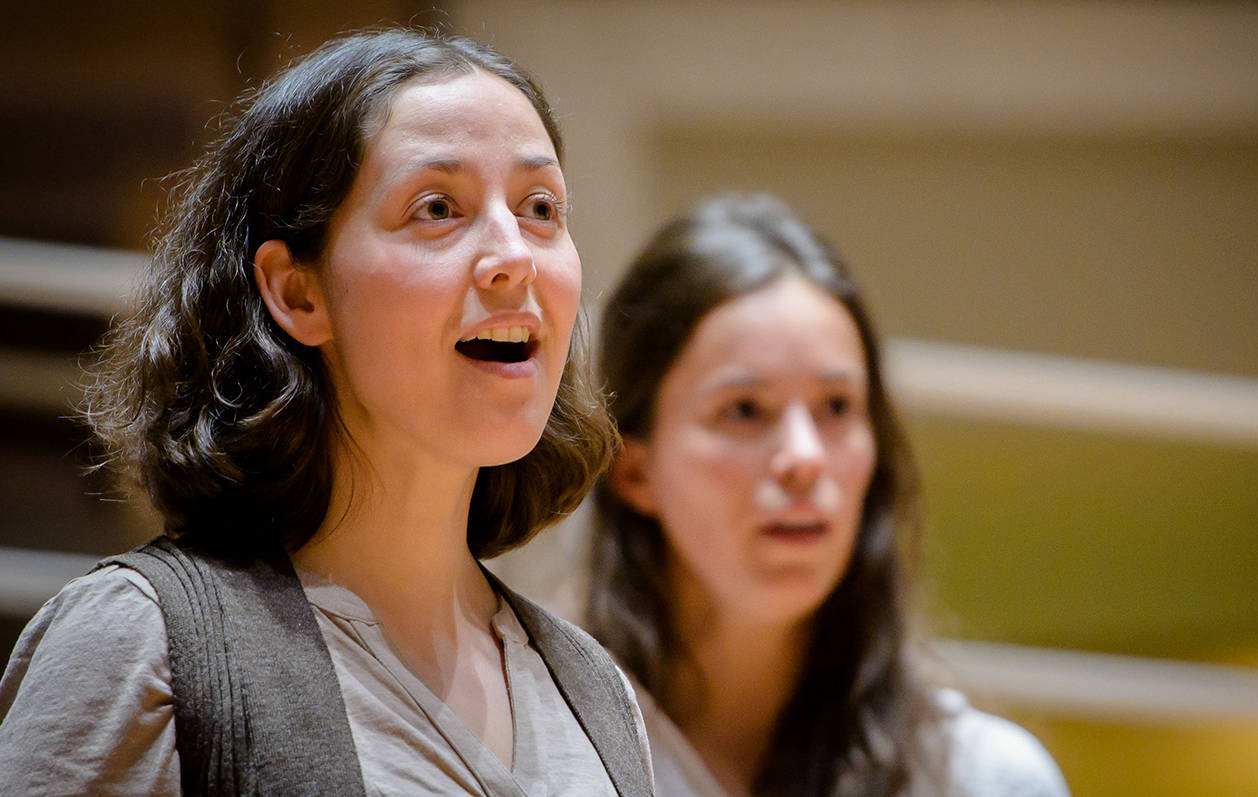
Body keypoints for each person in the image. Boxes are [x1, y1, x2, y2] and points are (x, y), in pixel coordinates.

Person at [0, 28, 652, 796]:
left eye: (540, 207)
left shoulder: (594, 689)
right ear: (297, 292)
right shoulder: (143, 643)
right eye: (437, 207)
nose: (514, 255)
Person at [586, 194, 1069, 797]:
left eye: (837, 407)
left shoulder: (983, 778)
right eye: (744, 410)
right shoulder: (545, 761)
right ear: (636, 473)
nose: (805, 457)